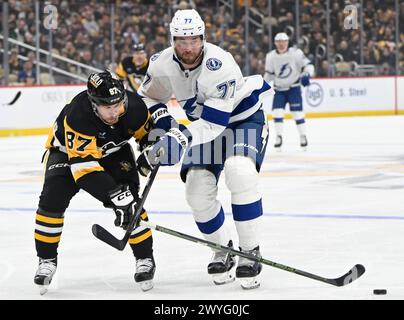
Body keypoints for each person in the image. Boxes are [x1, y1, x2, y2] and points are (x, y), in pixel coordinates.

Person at [137, 9, 272, 289]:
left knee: (240, 172)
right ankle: (222, 248)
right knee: (197, 191)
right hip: (204, 125)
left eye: (194, 40)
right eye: (181, 40)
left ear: (203, 38)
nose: (188, 47)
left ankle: (250, 251)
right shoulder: (162, 63)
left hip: (242, 119)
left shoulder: (220, 63)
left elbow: (215, 124)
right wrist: (163, 122)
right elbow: (147, 98)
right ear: (173, 39)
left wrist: (180, 136)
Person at [34, 71, 156, 293]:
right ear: (93, 104)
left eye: (118, 105)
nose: (114, 112)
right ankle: (47, 260)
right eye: (107, 107)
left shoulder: (135, 107)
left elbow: (147, 135)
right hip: (66, 154)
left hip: (113, 152)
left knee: (132, 203)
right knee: (52, 200)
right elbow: (84, 170)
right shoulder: (78, 116)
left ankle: (145, 258)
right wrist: (113, 195)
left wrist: (150, 151)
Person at [264, 32, 314, 151]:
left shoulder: (296, 53)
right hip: (279, 89)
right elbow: (269, 74)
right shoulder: (270, 56)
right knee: (277, 113)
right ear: (275, 43)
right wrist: (262, 86)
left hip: (294, 88)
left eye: (284, 41)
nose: (281, 44)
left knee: (297, 114)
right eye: (279, 42)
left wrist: (307, 74)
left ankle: (303, 136)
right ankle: (279, 137)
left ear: (287, 42)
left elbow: (309, 66)